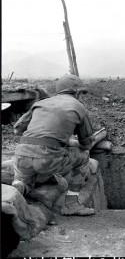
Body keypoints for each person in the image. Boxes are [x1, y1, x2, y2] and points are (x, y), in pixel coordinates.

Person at [11, 74, 106, 216]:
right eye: (83, 94)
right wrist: (69, 142)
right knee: (83, 156)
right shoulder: (79, 107)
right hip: (47, 159)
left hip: (21, 156)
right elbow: (86, 145)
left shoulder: (41, 103)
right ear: (77, 93)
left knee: (26, 181)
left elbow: (17, 130)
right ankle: (72, 205)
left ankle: (19, 188)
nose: (83, 98)